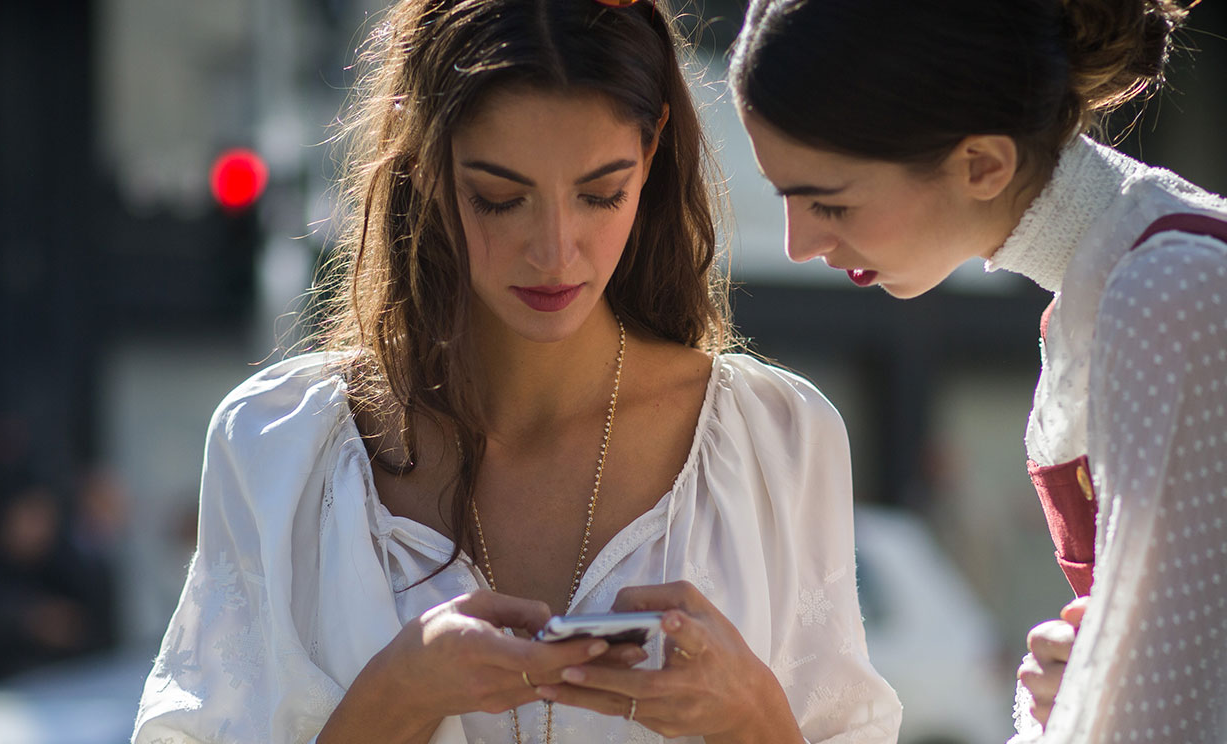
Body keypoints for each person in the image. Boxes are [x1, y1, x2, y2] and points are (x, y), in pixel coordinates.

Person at [132, 1, 902, 743]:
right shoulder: (278, 449)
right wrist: (398, 695)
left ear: (654, 150)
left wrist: (749, 714)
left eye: (603, 193)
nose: (555, 251)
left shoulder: (778, 441)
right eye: (500, 199)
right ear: (427, 164)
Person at [730, 0, 1226, 741]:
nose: (801, 244)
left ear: (983, 165)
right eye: (789, 199)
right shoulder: (1123, 285)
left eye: (828, 203)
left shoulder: (1167, 291)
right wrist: (1090, 685)